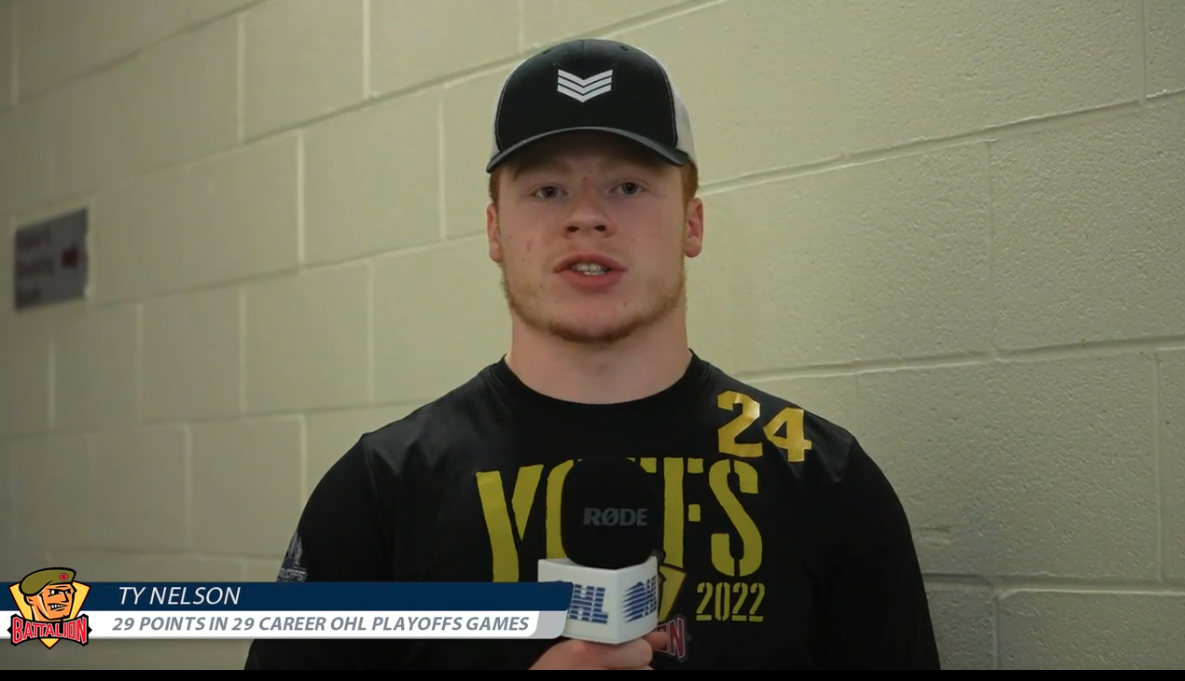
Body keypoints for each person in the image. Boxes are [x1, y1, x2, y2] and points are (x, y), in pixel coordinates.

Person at [244, 37, 940, 670]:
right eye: (547, 189)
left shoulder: (821, 480)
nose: (586, 215)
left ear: (691, 223)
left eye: (628, 185)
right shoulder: (381, 491)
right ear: (494, 230)